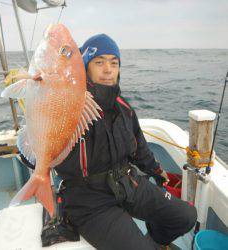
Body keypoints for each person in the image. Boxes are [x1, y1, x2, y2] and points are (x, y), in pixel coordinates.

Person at [53, 34, 197, 250]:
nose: (108, 69)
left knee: (186, 216)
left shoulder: (125, 108)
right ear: (85, 68)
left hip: (127, 182)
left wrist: (157, 171)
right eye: (99, 62)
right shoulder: (67, 108)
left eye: (114, 62)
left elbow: (139, 148)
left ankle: (156, 243)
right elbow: (38, 150)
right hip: (89, 200)